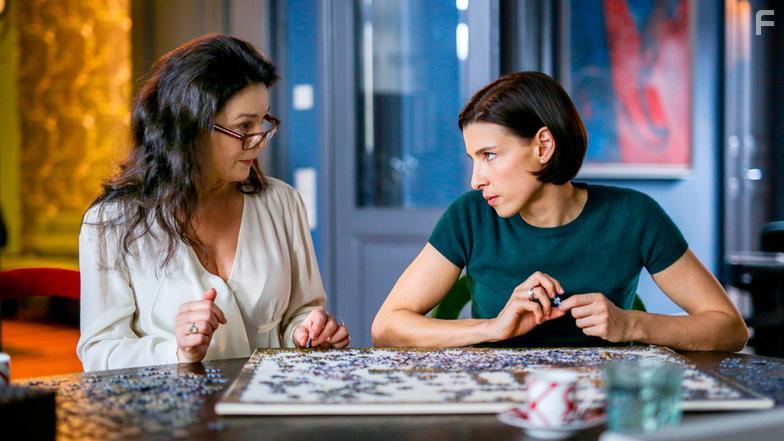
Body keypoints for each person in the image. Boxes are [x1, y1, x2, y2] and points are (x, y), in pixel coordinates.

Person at [372, 72, 748, 351]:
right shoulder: (469, 216)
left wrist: (631, 323)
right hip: (494, 403)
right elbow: (387, 326)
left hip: (601, 405)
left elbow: (730, 329)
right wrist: (494, 327)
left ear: (543, 145)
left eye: (489, 156)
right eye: (473, 159)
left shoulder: (634, 214)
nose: (476, 180)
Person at [77, 34, 348, 371]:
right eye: (244, 126)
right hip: (166, 418)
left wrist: (308, 332)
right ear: (189, 128)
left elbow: (300, 312)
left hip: (266, 411)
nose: (259, 142)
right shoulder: (110, 223)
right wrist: (177, 351)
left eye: (263, 123)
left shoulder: (282, 203)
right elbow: (99, 352)